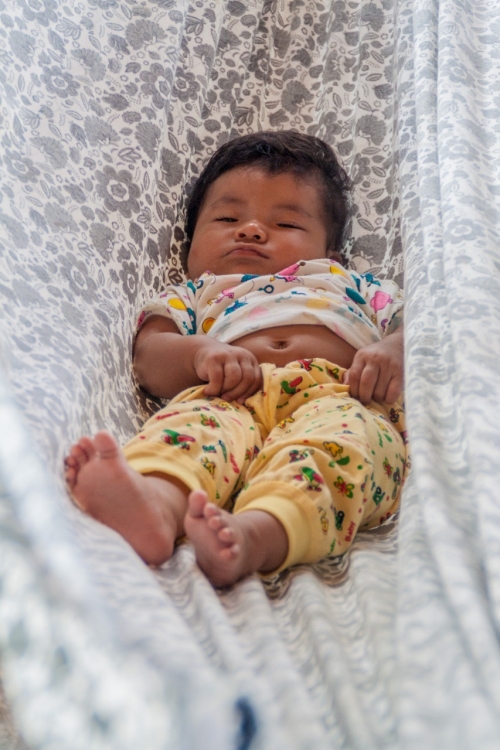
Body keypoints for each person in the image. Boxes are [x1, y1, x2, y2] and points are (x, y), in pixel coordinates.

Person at [65, 131, 407, 587]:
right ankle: (155, 505)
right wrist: (203, 353)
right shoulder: (195, 292)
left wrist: (392, 349)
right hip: (227, 395)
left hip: (341, 397)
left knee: (343, 451)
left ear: (332, 256)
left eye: (286, 225)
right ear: (189, 252)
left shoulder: (353, 285)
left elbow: (419, 327)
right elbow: (149, 355)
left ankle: (256, 534)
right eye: (227, 217)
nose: (250, 230)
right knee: (190, 431)